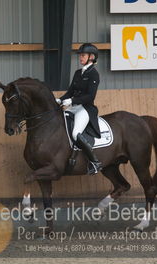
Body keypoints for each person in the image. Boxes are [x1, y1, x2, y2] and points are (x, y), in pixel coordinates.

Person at [56, 43, 102, 175]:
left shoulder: (94, 74)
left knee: (76, 133)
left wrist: (72, 100)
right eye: (80, 55)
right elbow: (70, 91)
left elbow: (90, 96)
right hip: (74, 107)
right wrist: (60, 99)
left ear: (91, 57)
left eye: (83, 55)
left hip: (86, 109)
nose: (80, 58)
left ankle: (95, 162)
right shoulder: (77, 73)